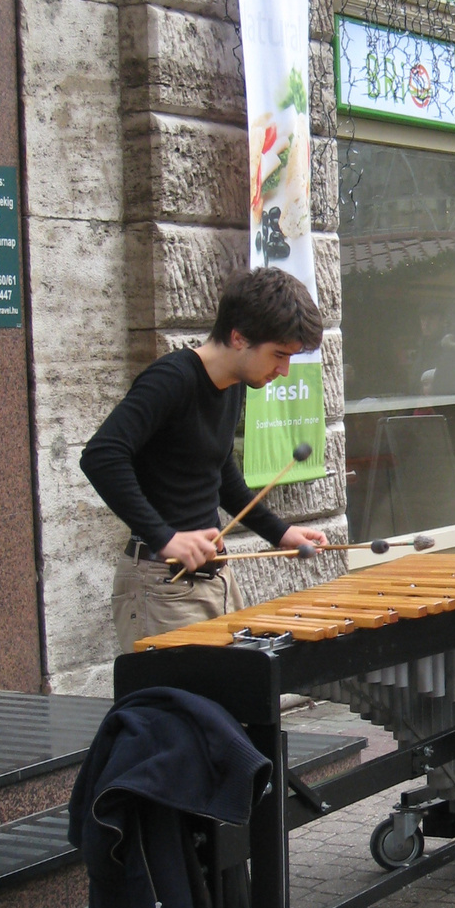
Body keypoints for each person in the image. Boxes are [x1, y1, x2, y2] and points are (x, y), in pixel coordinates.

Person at [81, 267, 328, 654]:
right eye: (278, 355)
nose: (283, 371)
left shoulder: (230, 385)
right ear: (238, 337)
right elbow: (101, 455)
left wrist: (279, 532)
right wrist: (165, 538)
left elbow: (218, 470)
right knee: (176, 712)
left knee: (226, 707)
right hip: (161, 589)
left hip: (214, 581)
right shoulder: (171, 379)